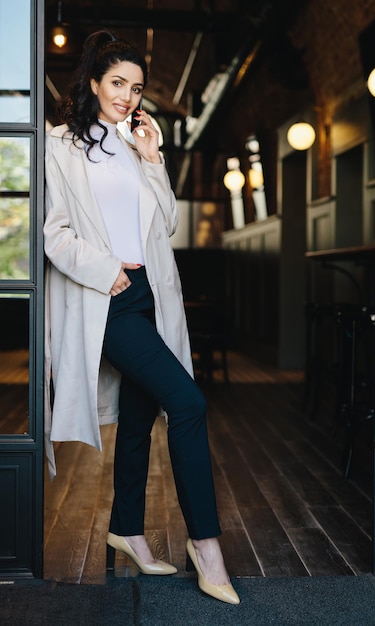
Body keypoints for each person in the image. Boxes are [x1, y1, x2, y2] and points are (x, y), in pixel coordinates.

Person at [43, 30, 240, 605]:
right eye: (117, 84)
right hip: (109, 294)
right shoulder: (60, 145)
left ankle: (127, 528)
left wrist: (154, 161)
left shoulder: (136, 146)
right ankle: (207, 547)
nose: (128, 97)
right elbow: (53, 234)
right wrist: (105, 269)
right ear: (94, 84)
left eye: (136, 88)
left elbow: (167, 224)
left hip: (151, 291)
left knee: (140, 411)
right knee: (188, 401)